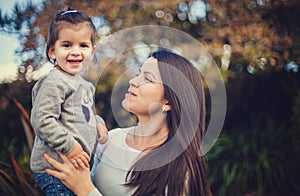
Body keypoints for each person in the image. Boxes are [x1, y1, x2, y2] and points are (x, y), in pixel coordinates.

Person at [45, 49, 212, 196]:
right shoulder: (112, 139)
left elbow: (86, 188)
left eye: (147, 78)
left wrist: (85, 191)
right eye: (139, 73)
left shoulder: (180, 168)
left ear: (168, 101)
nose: (133, 81)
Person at [30, 7, 108, 195]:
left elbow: (83, 115)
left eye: (83, 45)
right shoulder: (55, 81)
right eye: (66, 45)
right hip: (56, 168)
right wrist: (71, 147)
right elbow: (42, 119)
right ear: (53, 51)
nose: (75, 51)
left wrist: (98, 123)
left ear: (92, 51)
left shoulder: (84, 85)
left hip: (74, 167)